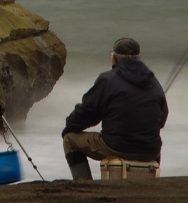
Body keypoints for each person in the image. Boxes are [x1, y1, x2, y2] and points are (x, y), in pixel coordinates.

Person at [62, 37, 168, 180]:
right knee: (152, 143)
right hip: (151, 151)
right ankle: (151, 182)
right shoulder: (154, 82)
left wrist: (70, 125)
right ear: (139, 58)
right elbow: (161, 121)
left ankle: (84, 184)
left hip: (117, 146)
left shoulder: (108, 80)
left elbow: (88, 113)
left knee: (70, 139)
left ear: (115, 59)